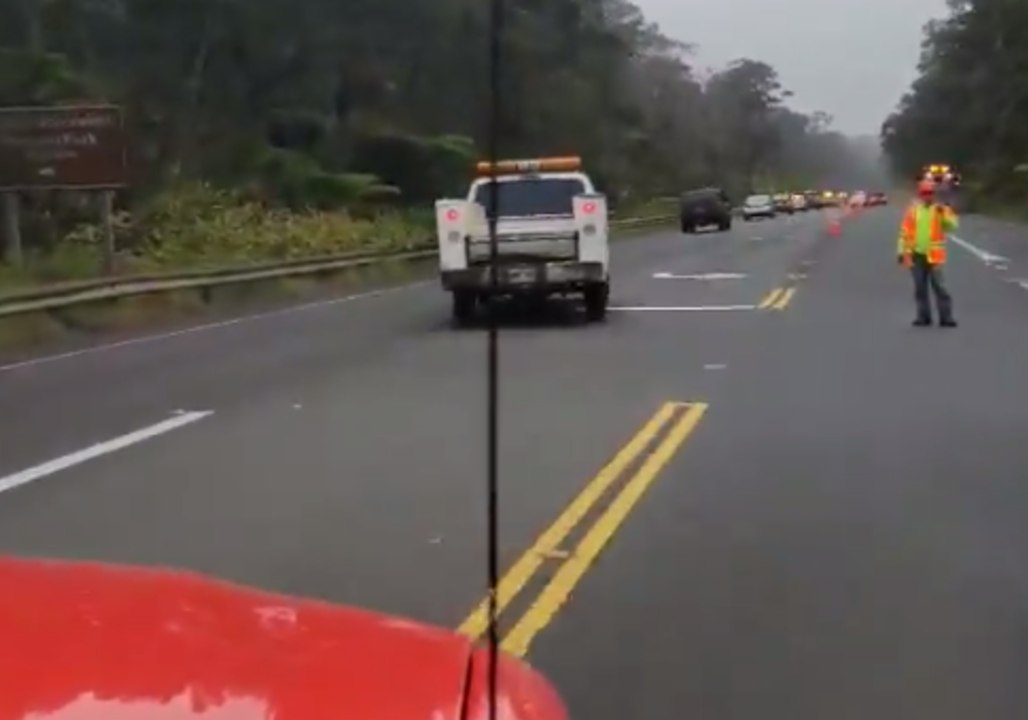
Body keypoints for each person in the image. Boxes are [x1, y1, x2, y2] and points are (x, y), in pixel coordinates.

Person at [897, 179, 958, 327]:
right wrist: (901, 252)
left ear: (934, 194)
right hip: (916, 255)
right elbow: (904, 233)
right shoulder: (913, 211)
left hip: (935, 256)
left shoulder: (941, 209)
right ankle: (923, 317)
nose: (927, 196)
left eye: (930, 193)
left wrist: (943, 214)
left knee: (940, 287)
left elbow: (952, 227)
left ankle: (946, 317)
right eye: (924, 193)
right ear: (920, 194)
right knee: (920, 288)